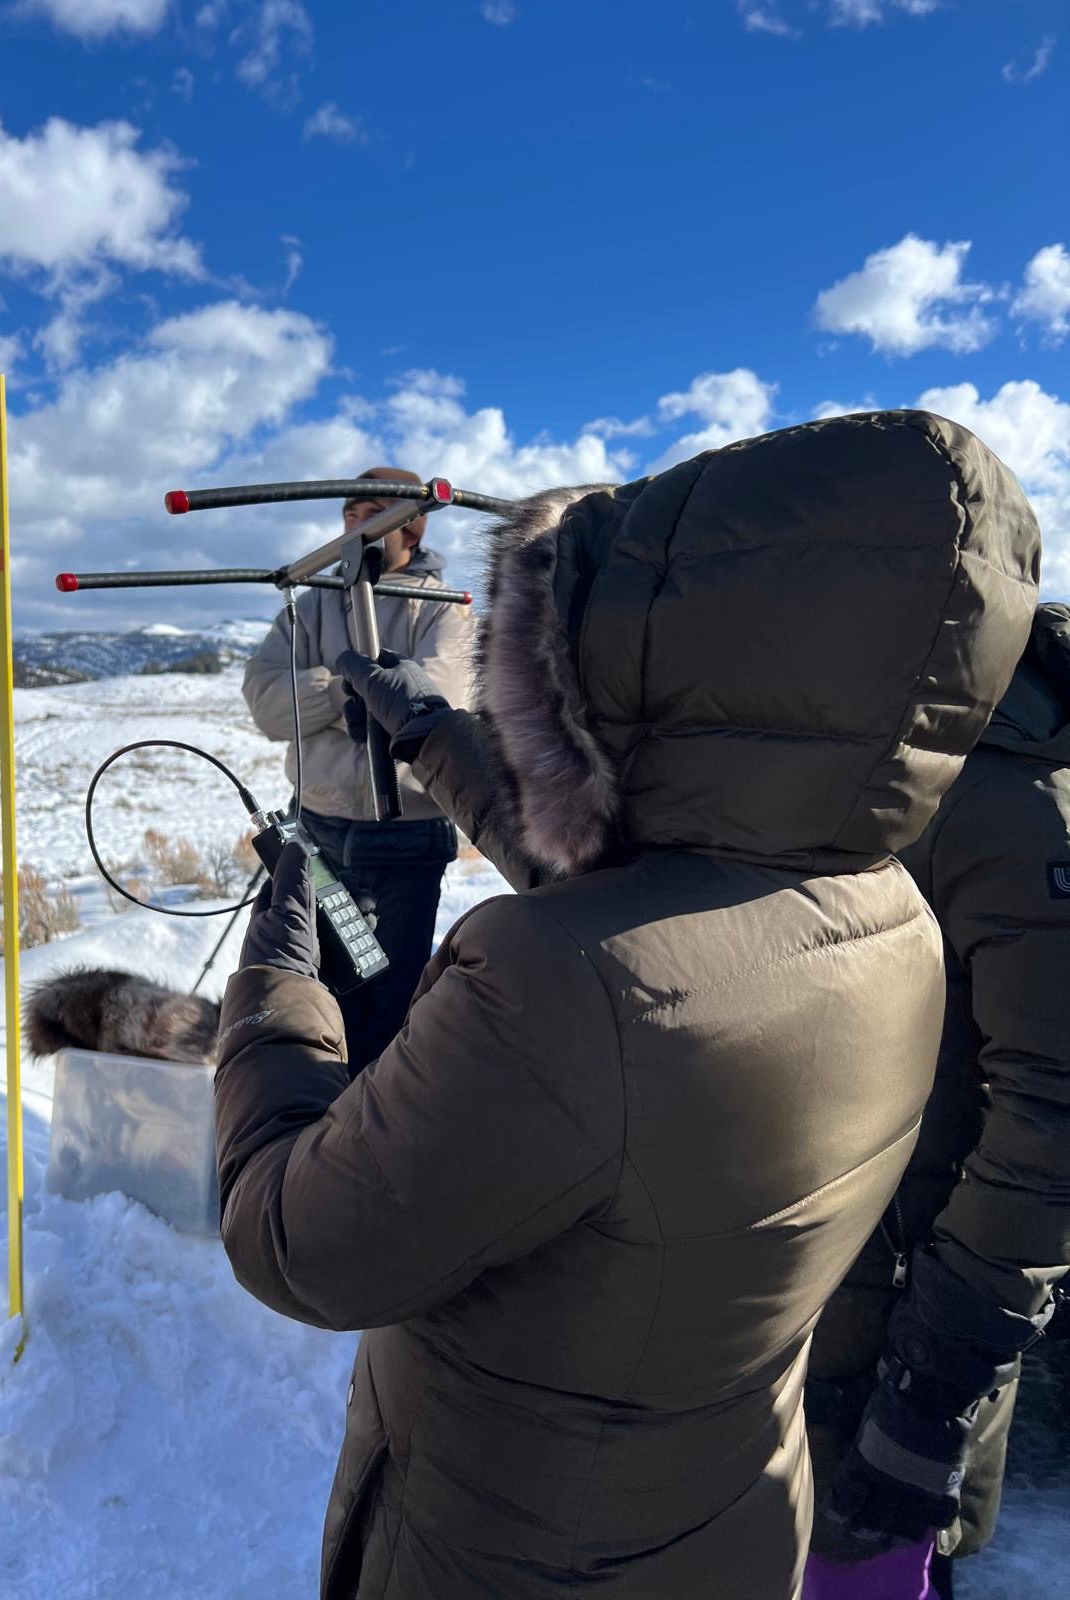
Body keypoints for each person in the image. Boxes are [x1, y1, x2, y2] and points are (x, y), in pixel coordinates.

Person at [214, 411, 1039, 1600]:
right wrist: (440, 736)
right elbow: (653, 910)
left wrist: (278, 984)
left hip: (503, 1551)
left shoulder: (555, 986)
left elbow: (295, 1242)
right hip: (720, 1524)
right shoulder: (885, 915)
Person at [804, 602, 1070, 1600]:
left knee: (871, 1562)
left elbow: (1047, 1125)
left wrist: (930, 1389)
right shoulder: (889, 764)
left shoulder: (1012, 803)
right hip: (834, 1296)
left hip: (908, 1332)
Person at [242, 467, 475, 1074]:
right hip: (314, 823)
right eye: (350, 514)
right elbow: (267, 703)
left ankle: (362, 1140)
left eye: (375, 514)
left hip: (403, 834)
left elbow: (432, 703)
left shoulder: (442, 610)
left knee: (383, 1008)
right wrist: (346, 685)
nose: (357, 526)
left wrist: (360, 699)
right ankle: (292, 1122)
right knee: (294, 978)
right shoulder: (311, 604)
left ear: (411, 531)